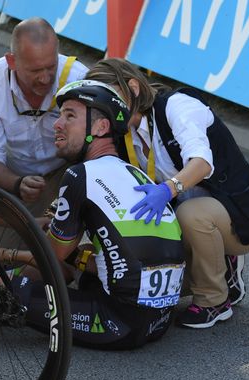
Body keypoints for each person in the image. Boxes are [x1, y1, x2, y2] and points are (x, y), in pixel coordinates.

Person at [85, 58, 249, 329]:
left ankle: (215, 300)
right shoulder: (120, 129)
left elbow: (201, 163)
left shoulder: (177, 106)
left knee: (192, 215)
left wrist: (167, 189)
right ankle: (220, 265)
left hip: (241, 214)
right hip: (186, 218)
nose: (106, 107)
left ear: (133, 87)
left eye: (111, 96)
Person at [14, 79, 186, 349]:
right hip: (160, 320)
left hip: (117, 322)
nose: (57, 124)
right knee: (80, 264)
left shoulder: (80, 175)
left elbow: (52, 255)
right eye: (60, 116)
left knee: (5, 293)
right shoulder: (136, 173)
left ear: (101, 127)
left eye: (70, 116)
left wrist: (3, 258)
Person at [0, 17, 88, 219]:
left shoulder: (79, 78)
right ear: (11, 62)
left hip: (68, 170)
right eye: (35, 71)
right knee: (0, 246)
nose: (45, 78)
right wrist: (17, 183)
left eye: (51, 67)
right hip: (13, 177)